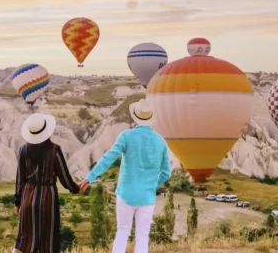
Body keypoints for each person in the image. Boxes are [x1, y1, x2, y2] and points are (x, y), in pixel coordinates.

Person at [79, 99, 171, 253]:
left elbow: (108, 158)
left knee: (122, 232)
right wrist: (152, 185)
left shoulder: (126, 136)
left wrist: (90, 177)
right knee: (143, 237)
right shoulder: (160, 141)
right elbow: (166, 172)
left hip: (126, 194)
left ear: (135, 116)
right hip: (147, 197)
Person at [14, 113, 81, 253]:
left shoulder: (23, 150)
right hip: (47, 200)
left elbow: (20, 178)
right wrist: (76, 189)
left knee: (22, 241)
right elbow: (65, 177)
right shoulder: (54, 150)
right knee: (47, 243)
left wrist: (18, 201)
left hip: (27, 196)